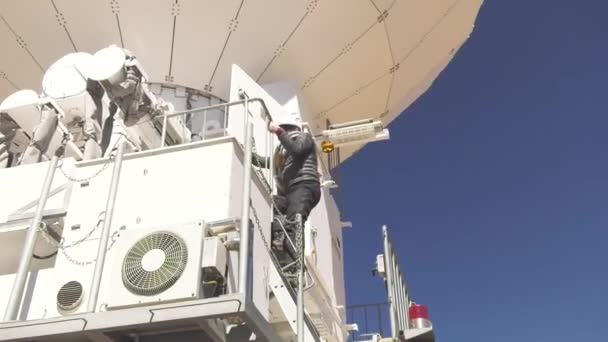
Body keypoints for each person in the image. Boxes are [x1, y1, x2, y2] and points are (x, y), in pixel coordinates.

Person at [253, 115, 321, 273]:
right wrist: (250, 154)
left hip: (303, 185)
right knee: (270, 207)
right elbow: (268, 162)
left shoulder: (304, 138)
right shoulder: (282, 151)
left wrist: (278, 131)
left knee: (293, 222)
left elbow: (297, 150)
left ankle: (294, 266)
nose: (285, 133)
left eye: (287, 129)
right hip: (289, 192)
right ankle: (278, 244)